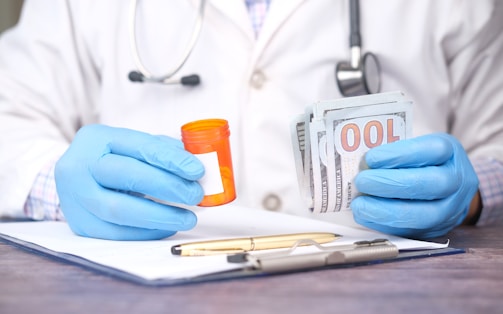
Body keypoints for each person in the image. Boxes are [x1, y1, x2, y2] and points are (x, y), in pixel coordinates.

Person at [0, 0, 502, 240]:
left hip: (387, 285)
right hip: (159, 284)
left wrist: (475, 190)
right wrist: (55, 181)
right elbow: (10, 114)